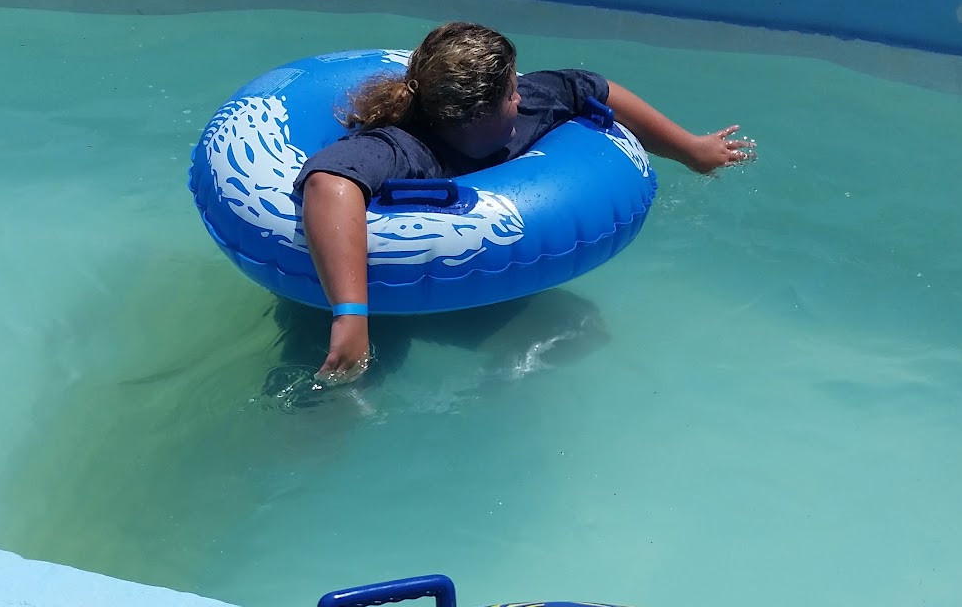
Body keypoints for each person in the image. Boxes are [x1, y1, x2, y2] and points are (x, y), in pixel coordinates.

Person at [294, 21, 756, 383]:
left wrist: (691, 150)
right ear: (477, 114)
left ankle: (492, 399)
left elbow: (594, 87)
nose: (522, 94)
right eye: (510, 92)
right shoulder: (406, 148)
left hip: (474, 283)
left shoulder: (532, 106)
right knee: (349, 385)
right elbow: (329, 183)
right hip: (382, 293)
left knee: (581, 330)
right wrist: (351, 315)